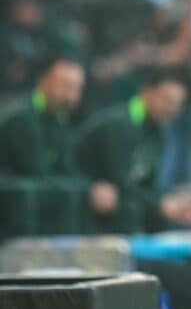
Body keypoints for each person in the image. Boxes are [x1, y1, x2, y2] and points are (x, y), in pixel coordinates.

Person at [0, 57, 117, 236]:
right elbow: (36, 172)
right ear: (43, 81)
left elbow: (66, 169)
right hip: (14, 198)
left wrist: (93, 188)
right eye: (64, 86)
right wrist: (88, 191)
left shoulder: (59, 120)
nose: (69, 96)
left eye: (76, 89)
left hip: (36, 195)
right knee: (69, 195)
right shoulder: (22, 119)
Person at [73, 67, 191, 234]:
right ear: (146, 92)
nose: (171, 109)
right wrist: (159, 204)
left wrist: (170, 201)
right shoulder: (121, 124)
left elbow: (148, 183)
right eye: (167, 100)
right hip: (85, 198)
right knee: (125, 204)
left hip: (119, 198)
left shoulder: (157, 130)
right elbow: (120, 184)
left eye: (177, 104)